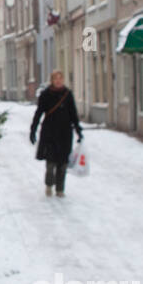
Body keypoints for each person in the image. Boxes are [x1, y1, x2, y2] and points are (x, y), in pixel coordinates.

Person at [30, 69, 83, 197]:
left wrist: (78, 130)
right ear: (52, 80)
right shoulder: (46, 94)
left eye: (60, 78)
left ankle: (60, 189)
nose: (58, 81)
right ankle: (49, 184)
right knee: (50, 162)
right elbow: (39, 113)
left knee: (63, 163)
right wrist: (33, 130)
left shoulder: (67, 94)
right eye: (56, 78)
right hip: (50, 132)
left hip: (65, 133)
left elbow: (73, 114)